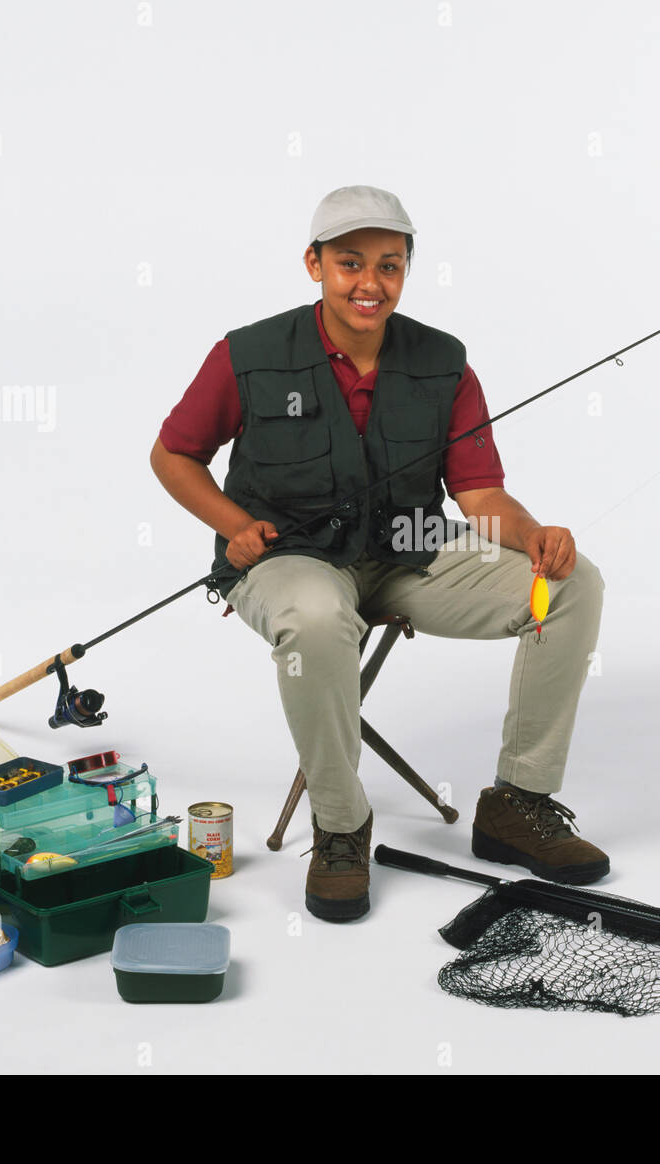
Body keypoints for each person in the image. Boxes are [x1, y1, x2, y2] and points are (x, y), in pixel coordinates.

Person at [150, 185, 608, 921]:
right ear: (315, 264)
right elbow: (173, 454)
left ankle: (518, 804)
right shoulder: (248, 354)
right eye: (351, 263)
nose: (371, 283)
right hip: (286, 559)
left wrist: (534, 538)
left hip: (408, 549)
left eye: (390, 266)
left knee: (574, 582)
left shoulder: (445, 362)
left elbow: (480, 497)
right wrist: (233, 523)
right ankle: (339, 826)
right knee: (317, 615)